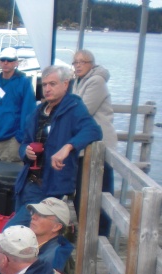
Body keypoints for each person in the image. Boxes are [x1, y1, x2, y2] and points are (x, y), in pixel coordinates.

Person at [8, 65, 102, 228]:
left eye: (52, 84)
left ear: (65, 84)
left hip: (50, 186)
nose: (47, 89)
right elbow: (24, 143)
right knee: (23, 232)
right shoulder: (38, 111)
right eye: (44, 84)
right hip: (26, 183)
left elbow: (93, 130)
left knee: (13, 230)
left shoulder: (73, 107)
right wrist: (26, 151)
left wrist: (68, 147)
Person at [72, 49, 117, 235]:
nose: (78, 65)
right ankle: (85, 232)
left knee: (101, 190)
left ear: (91, 64)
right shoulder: (78, 81)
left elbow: (83, 110)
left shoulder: (96, 81)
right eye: (75, 62)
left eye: (82, 62)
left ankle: (101, 234)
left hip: (99, 144)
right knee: (82, 191)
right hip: (85, 146)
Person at [0, 47, 37, 163]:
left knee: (10, 174)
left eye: (9, 60)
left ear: (16, 63)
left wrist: (20, 137)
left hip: (12, 141)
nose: (5, 62)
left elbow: (29, 111)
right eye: (3, 59)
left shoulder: (24, 82)